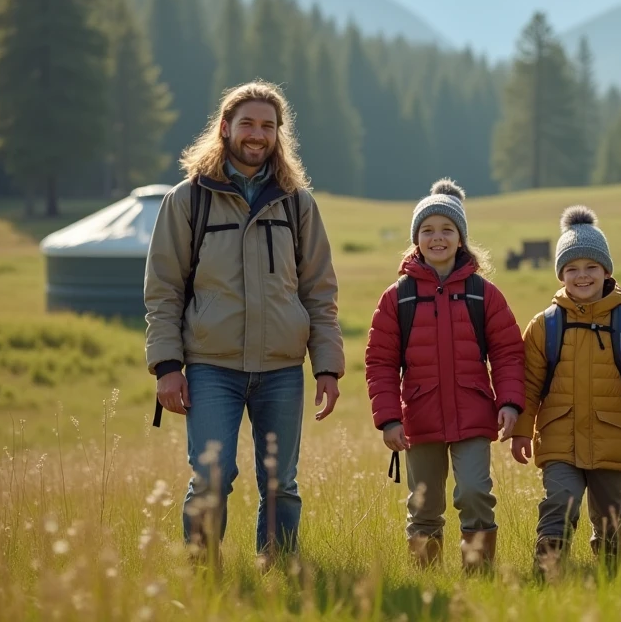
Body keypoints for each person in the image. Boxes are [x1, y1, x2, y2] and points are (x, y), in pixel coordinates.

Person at [144, 80, 344, 564]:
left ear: (279, 136)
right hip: (212, 367)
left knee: (282, 483)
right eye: (248, 124)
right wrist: (167, 365)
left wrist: (328, 367)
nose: (258, 134)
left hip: (281, 368)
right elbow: (164, 290)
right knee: (211, 475)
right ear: (225, 128)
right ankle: (203, 575)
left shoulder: (297, 203)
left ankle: (276, 571)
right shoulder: (188, 200)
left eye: (268, 126)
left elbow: (320, 290)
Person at [363, 179, 525, 573]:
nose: (438, 238)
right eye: (428, 230)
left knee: (474, 493)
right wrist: (388, 418)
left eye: (447, 229)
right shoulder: (396, 298)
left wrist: (509, 402)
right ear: (416, 238)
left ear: (461, 237)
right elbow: (380, 362)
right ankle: (426, 580)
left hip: (473, 416)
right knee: (424, 504)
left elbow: (507, 353)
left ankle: (479, 576)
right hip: (419, 418)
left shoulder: (483, 294)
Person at [512, 207, 621, 577]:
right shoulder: (545, 326)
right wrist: (522, 431)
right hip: (558, 438)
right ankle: (548, 573)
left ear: (606, 271)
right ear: (561, 274)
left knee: (612, 516)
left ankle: (613, 579)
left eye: (591, 267)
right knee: (559, 502)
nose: (582, 276)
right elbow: (529, 384)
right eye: (572, 269)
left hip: (611, 439)